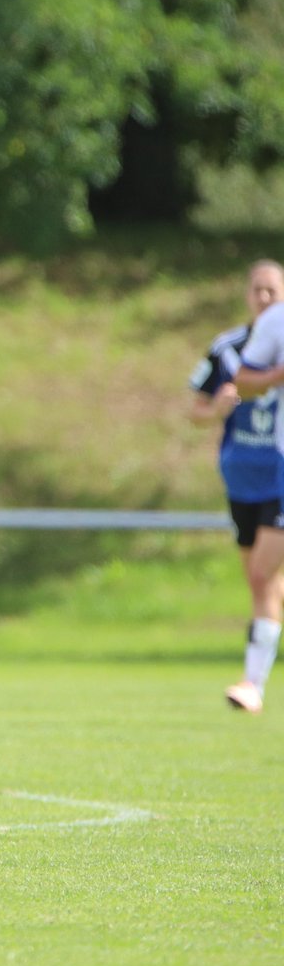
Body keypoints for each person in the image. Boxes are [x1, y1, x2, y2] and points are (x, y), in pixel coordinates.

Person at [210, 259, 284, 712]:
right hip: (256, 473)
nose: (263, 298)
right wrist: (275, 376)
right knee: (263, 579)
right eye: (256, 289)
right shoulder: (273, 327)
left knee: (263, 575)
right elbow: (245, 382)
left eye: (271, 289)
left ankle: (252, 684)